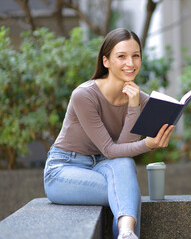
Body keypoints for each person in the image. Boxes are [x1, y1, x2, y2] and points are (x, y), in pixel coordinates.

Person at [43, 28, 175, 239]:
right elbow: (111, 149)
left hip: (103, 165)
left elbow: (121, 153)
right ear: (106, 61)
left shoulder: (139, 99)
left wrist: (135, 106)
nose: (130, 64)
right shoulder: (84, 95)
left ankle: (126, 233)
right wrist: (147, 143)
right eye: (121, 56)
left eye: (135, 56)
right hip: (64, 169)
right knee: (127, 190)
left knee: (125, 166)